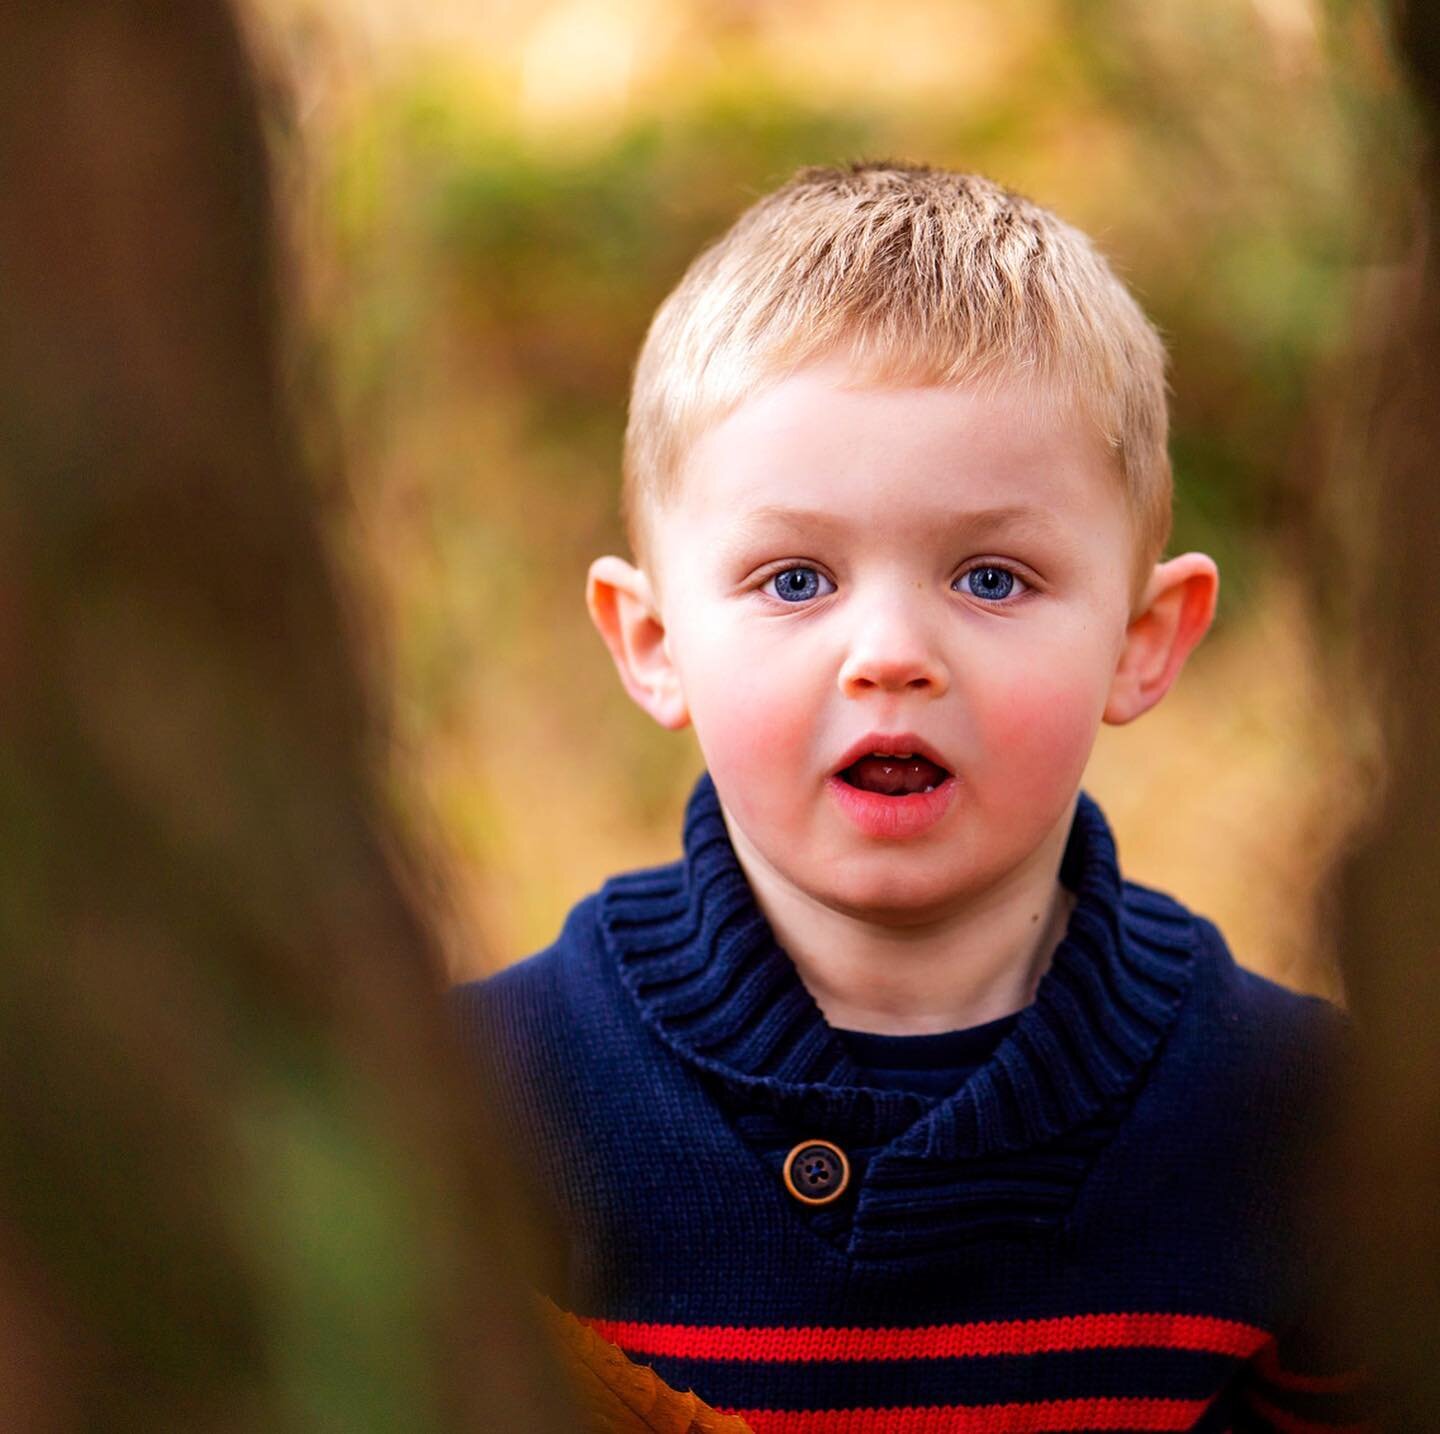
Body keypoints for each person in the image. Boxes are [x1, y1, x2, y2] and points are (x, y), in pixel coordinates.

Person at [453, 163, 1369, 1431]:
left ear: (1141, 639)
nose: (890, 654)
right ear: (653, 642)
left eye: (991, 579)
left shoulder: (1310, 1126)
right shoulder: (486, 1098)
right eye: (795, 580)